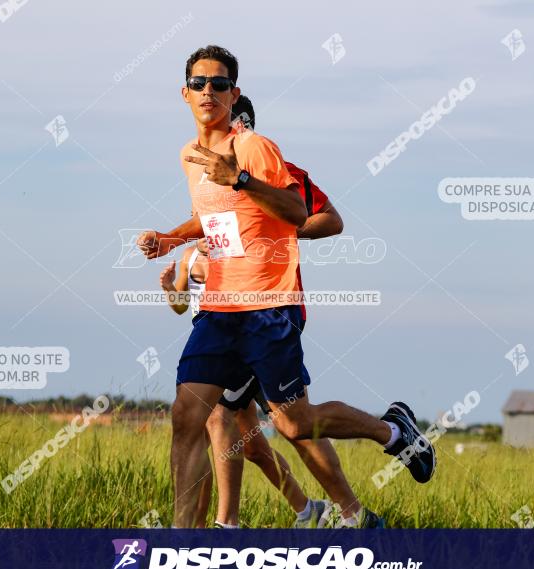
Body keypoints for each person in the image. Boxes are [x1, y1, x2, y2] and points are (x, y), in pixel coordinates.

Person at [139, 45, 435, 529]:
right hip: (218, 307)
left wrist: (241, 180)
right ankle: (186, 542)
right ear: (184, 93)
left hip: (268, 306)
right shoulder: (188, 157)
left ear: (234, 93)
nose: (208, 91)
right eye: (199, 83)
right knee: (191, 417)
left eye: (218, 84)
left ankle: (389, 434)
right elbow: (210, 217)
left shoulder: (255, 148)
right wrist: (169, 239)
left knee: (294, 423)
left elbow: (302, 214)